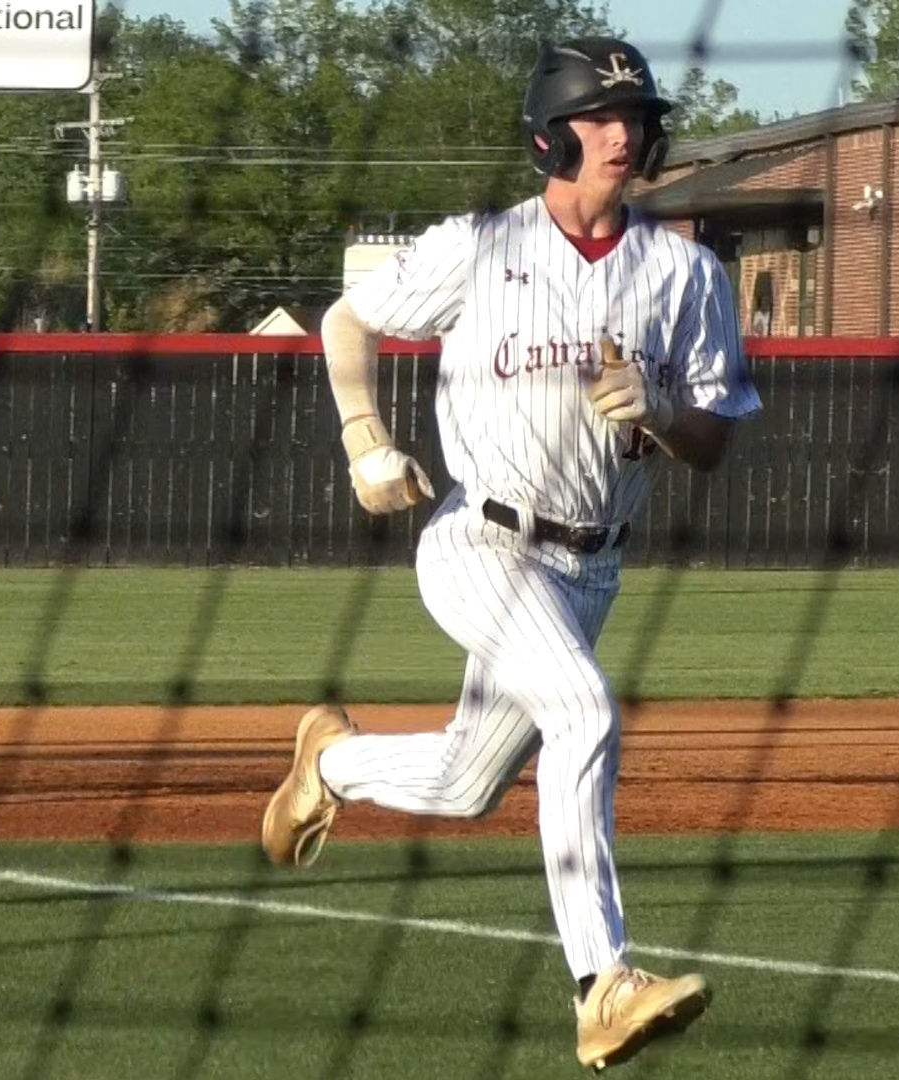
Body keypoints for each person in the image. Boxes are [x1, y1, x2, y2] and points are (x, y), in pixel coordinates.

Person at [259, 36, 760, 1072]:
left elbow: (713, 439)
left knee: (468, 781)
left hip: (593, 568)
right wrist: (364, 436)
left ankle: (332, 762)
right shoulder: (480, 245)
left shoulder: (687, 275)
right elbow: (347, 322)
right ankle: (604, 983)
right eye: (598, 115)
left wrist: (664, 411)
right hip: (477, 541)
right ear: (551, 132)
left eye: (634, 116)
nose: (623, 132)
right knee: (584, 712)